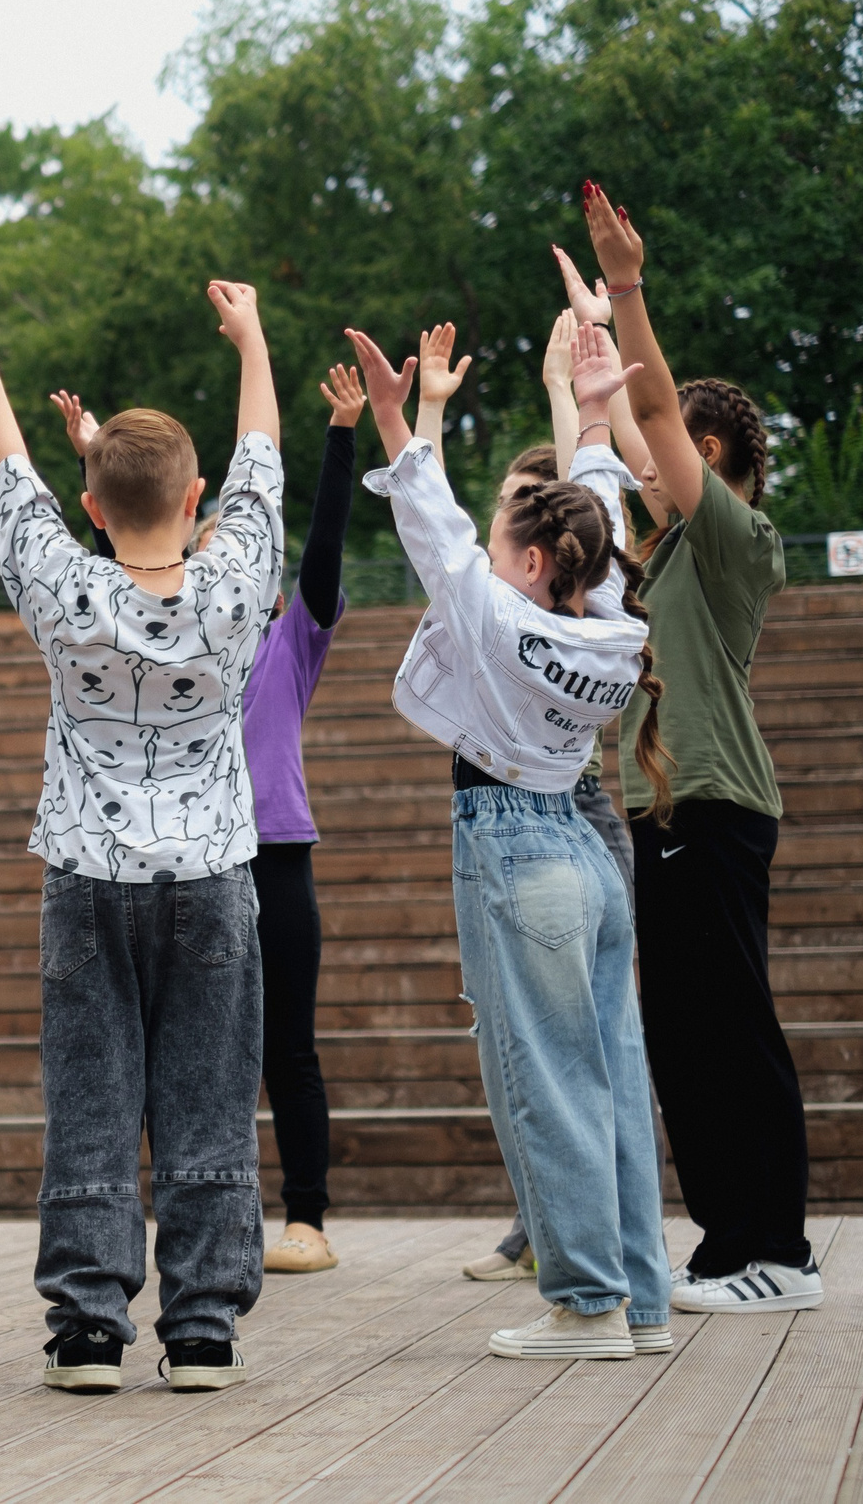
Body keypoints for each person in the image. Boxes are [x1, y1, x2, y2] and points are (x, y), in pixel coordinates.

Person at [0, 276, 282, 1396]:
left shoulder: (63, 588)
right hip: (213, 872)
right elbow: (263, 464)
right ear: (196, 498)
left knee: (89, 1096)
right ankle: (200, 1329)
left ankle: (88, 1323)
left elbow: (9, 479)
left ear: (91, 506)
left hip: (89, 874)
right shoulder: (236, 583)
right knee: (209, 1093)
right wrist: (250, 344)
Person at [351, 316, 674, 1361]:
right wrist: (587, 421)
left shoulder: (500, 616)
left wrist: (400, 419)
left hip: (513, 840)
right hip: (583, 846)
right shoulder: (612, 619)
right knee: (612, 1073)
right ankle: (642, 1300)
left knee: (543, 1078)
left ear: (532, 562)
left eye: (505, 547)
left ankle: (584, 1304)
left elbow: (435, 529)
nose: (486, 553)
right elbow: (604, 517)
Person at [51, 358, 365, 1278]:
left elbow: (321, 545)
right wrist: (98, 452)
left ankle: (305, 1215)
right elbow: (132, 530)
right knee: (171, 1055)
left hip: (272, 854)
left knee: (286, 1046)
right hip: (186, 862)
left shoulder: (291, 639)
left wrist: (341, 440)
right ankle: (173, 1230)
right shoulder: (172, 627)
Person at [577, 182, 819, 1314]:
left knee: (731, 1028)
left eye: (670, 446)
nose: (641, 464)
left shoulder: (731, 541)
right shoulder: (667, 555)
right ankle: (728, 1243)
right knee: (681, 1041)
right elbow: (635, 428)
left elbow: (656, 422)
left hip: (714, 808)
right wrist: (591, 336)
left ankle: (779, 1249)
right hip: (659, 817)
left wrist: (628, 289)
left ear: (710, 450)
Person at [458, 308, 647, 1283]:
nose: (502, 517)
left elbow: (588, 494)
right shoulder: (550, 614)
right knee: (526, 1045)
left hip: (558, 820)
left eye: (512, 511)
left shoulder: (556, 604)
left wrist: (572, 401)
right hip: (532, 822)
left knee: (575, 1054)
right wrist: (568, 391)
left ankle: (586, 1263)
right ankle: (567, 1237)